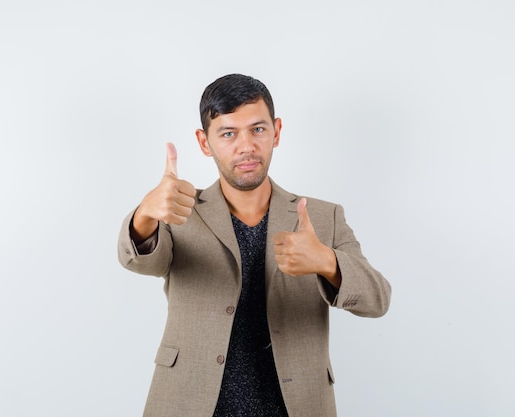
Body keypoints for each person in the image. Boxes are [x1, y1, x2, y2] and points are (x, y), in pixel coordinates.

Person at [117, 73, 391, 417]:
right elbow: (140, 262)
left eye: (257, 129)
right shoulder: (178, 210)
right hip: (190, 402)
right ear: (205, 143)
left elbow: (378, 300)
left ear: (276, 131)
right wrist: (145, 215)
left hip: (294, 406)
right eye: (228, 133)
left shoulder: (323, 217)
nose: (246, 146)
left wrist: (327, 261)